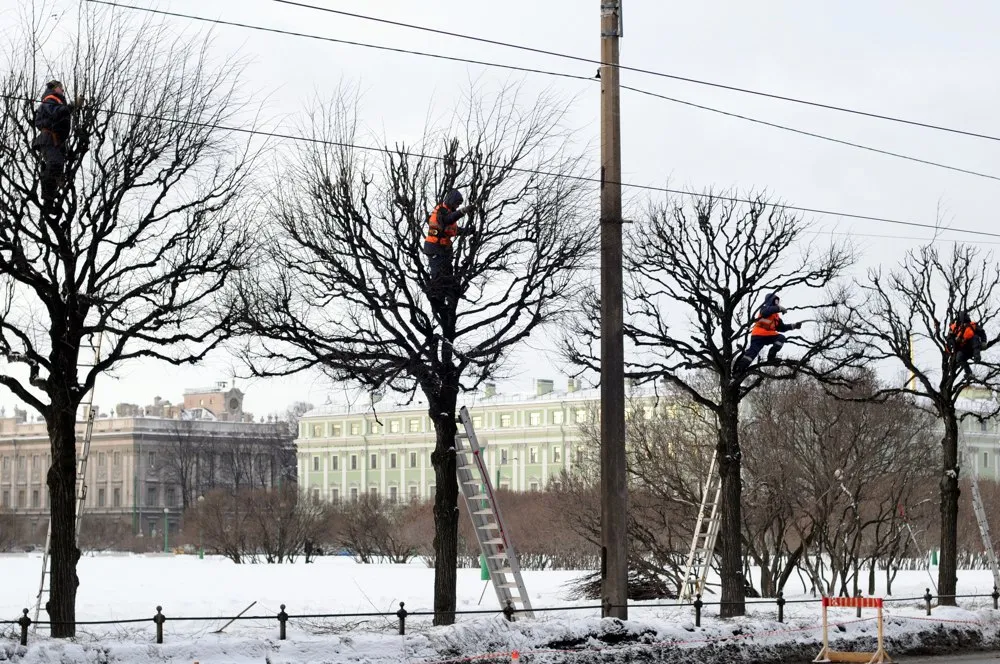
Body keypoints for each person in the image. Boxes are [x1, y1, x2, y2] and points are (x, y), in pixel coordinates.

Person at [31, 80, 82, 211]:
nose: (63, 91)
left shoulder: (56, 102)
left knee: (57, 168)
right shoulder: (49, 100)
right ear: (54, 88)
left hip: (56, 141)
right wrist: (71, 106)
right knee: (55, 164)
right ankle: (48, 198)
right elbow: (56, 113)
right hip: (49, 138)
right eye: (61, 88)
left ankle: (50, 198)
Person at [422, 189, 474, 305]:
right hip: (435, 248)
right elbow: (447, 220)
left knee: (448, 275)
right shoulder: (441, 211)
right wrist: (463, 211)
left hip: (442, 249)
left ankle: (449, 297)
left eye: (459, 205)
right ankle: (437, 299)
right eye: (456, 203)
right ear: (451, 201)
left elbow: (452, 230)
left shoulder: (448, 212)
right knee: (438, 276)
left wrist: (469, 231)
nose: (457, 206)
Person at [733, 292, 803, 376]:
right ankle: (738, 370)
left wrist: (794, 326)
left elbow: (782, 328)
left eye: (777, 302)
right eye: (775, 301)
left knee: (780, 338)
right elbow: (767, 312)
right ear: (770, 301)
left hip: (767, 335)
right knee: (752, 353)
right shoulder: (764, 309)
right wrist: (778, 308)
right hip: (758, 335)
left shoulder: (776, 317)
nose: (777, 303)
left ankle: (771, 358)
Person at [946, 311, 988, 378]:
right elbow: (949, 339)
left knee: (975, 338)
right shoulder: (954, 327)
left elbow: (982, 332)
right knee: (959, 358)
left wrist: (983, 342)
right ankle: (969, 373)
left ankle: (977, 356)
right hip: (963, 348)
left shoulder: (972, 325)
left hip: (972, 346)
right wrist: (952, 347)